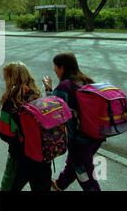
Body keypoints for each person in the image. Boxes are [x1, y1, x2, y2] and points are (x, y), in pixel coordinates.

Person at [43, 52, 104, 191]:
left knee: (84, 173)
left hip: (79, 139)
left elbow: (52, 113)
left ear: (62, 68)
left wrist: (48, 89)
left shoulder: (64, 87)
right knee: (74, 163)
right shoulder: (86, 80)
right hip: (96, 135)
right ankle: (59, 185)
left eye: (55, 67)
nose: (54, 69)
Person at [0, 62, 52, 191]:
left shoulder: (10, 103)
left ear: (10, 78)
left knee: (8, 188)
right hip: (43, 154)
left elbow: (4, 134)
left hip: (20, 158)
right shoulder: (37, 96)